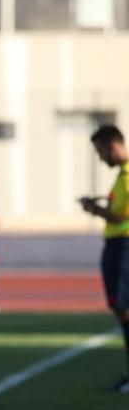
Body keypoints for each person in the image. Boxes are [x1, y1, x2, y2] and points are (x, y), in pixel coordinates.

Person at [79, 124, 129, 394]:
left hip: (122, 247)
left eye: (100, 151)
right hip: (119, 246)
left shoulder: (127, 177)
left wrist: (93, 209)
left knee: (123, 309)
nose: (100, 158)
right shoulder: (122, 177)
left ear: (112, 146)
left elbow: (121, 217)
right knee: (122, 310)